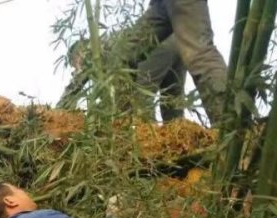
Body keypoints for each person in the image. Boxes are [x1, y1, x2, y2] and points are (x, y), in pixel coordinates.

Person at [119, 0, 228, 126]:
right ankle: (120, 128)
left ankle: (229, 125)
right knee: (123, 55)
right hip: (162, 6)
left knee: (201, 55)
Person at [59, 34, 188, 122]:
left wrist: (57, 112)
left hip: (155, 46)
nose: (76, 68)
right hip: (176, 41)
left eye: (74, 64)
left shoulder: (89, 51)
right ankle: (181, 143)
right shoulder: (110, 47)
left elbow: (76, 85)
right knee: (173, 105)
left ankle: (150, 151)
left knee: (142, 100)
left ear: (77, 55)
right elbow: (123, 96)